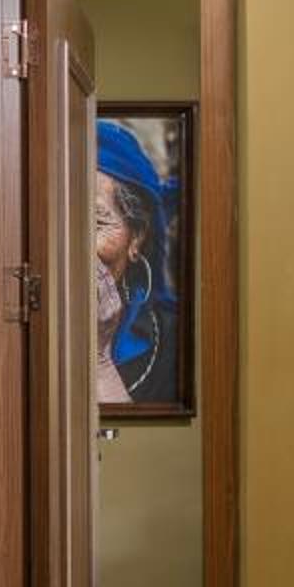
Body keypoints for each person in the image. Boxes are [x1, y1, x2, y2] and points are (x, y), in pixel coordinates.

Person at [95, 118, 178, 406]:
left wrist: (99, 359)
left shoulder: (176, 345)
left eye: (95, 222)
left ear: (136, 238)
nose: (70, 245)